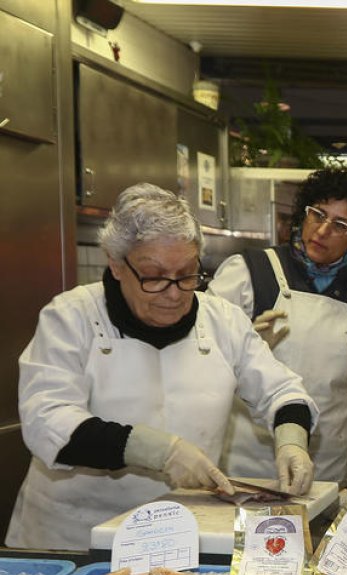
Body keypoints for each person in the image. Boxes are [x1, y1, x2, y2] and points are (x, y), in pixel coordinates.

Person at [8, 184, 317, 551]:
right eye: (154, 277)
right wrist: (159, 451)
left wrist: (292, 442)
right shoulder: (70, 316)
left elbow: (282, 391)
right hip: (73, 538)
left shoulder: (222, 320)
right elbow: (48, 421)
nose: (174, 294)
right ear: (116, 265)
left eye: (187, 275)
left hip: (181, 534)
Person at [209, 168, 347, 484]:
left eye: (340, 225)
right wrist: (239, 348)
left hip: (329, 467)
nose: (323, 230)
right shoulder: (250, 273)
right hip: (251, 467)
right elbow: (198, 360)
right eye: (318, 214)